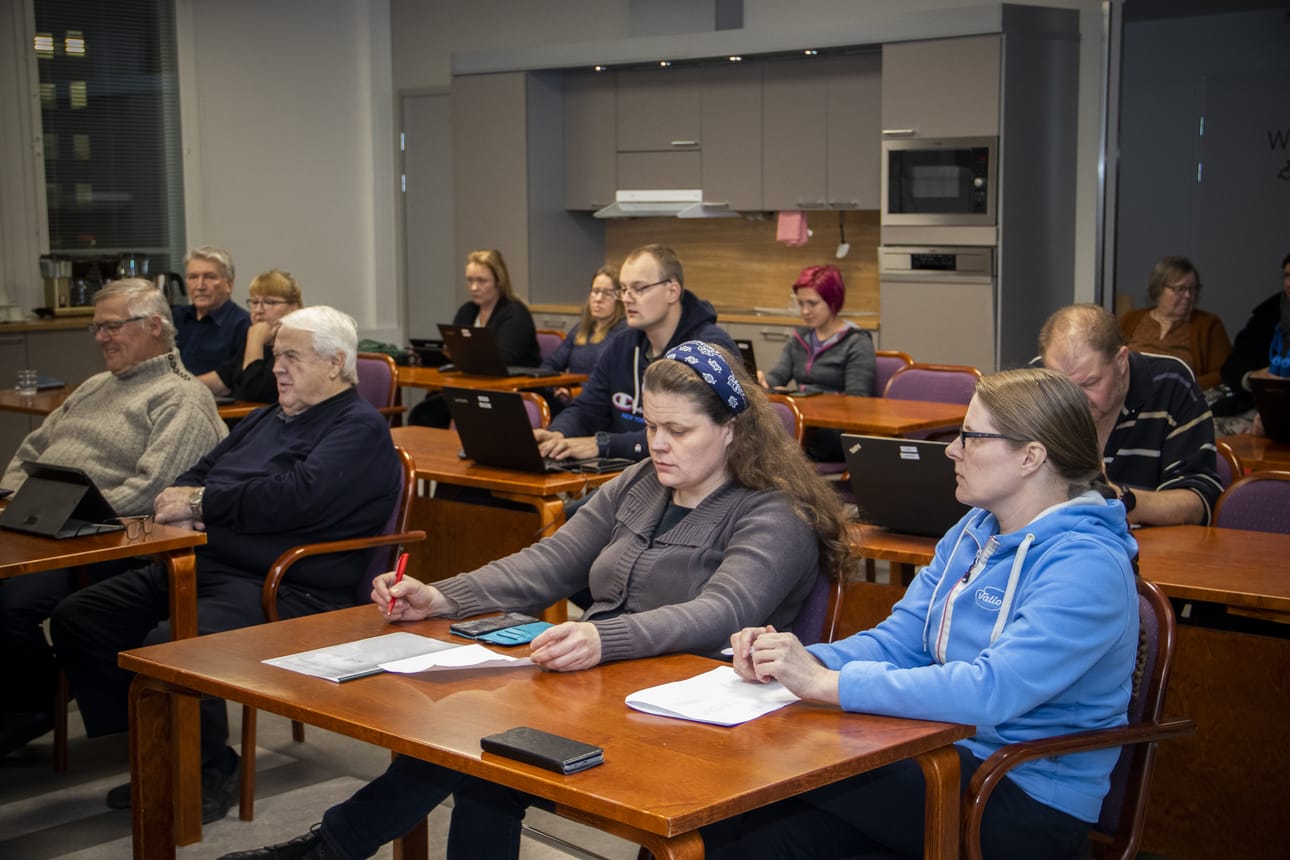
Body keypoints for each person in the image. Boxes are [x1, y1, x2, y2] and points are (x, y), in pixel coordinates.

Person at [218, 341, 850, 860]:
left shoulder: (776, 513)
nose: (657, 443)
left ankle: (325, 849)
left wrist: (606, 637)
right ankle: (328, 849)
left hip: (693, 716)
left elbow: (724, 611)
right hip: (603, 687)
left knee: (481, 756)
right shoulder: (642, 482)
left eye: (678, 430)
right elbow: (550, 562)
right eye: (650, 426)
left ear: (733, 431)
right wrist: (442, 595)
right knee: (473, 747)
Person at [702, 367, 1140, 860]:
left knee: (776, 758)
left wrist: (827, 686)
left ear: (1030, 457)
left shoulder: (1089, 565)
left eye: (971, 437)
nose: (952, 450)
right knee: (741, 822)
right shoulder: (973, 530)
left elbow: (991, 691)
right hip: (941, 756)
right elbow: (900, 641)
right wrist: (793, 663)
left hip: (1024, 798)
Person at [51, 306, 403, 824]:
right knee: (79, 616)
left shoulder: (358, 428)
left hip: (286, 585)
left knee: (171, 644)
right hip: (207, 565)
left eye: (291, 357)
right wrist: (202, 498)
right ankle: (156, 744)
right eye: (274, 356)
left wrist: (203, 505)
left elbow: (293, 498)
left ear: (335, 364)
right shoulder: (265, 418)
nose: (277, 368)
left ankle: (209, 768)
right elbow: (194, 475)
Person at [0, 279, 227, 758]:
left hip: (105, 539)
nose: (101, 337)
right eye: (96, 327)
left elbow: (152, 490)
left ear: (154, 327)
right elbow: (30, 451)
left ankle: (34, 704)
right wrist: (16, 503)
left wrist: (72, 521)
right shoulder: (94, 387)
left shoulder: (182, 398)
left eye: (111, 326)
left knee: (12, 607)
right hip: (41, 524)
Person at [536, 244, 737, 462]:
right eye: (623, 289)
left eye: (639, 288)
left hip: (685, 477)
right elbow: (587, 408)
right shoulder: (622, 344)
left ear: (672, 291)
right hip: (624, 472)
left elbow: (682, 433)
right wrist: (557, 434)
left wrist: (602, 444)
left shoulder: (707, 350)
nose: (628, 298)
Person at [1040, 303, 1221, 526]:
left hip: (1155, 547)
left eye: (1089, 383)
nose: (1074, 399)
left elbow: (1198, 503)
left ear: (1121, 360)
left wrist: (1118, 500)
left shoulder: (1171, 384)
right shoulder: (1039, 387)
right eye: (1061, 385)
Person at [408, 249, 539, 427]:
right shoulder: (467, 311)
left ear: (499, 282)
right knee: (423, 414)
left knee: (431, 416)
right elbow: (453, 350)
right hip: (471, 389)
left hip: (508, 392)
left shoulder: (515, 313)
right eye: (470, 280)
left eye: (481, 281)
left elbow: (505, 359)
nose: (474, 287)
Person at [759, 264, 875, 460]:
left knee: (794, 441)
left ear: (833, 302)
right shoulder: (799, 338)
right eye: (801, 303)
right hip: (803, 421)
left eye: (812, 303)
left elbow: (858, 401)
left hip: (835, 429)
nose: (805, 311)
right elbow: (778, 375)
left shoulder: (857, 342)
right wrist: (762, 382)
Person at [1117, 255, 1231, 390]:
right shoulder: (1131, 319)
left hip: (1179, 402)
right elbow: (1109, 359)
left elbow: (1224, 373)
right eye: (1180, 289)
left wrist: (1181, 387)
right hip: (1129, 396)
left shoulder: (1208, 325)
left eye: (1193, 288)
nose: (1188, 295)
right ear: (1158, 289)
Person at [198, 269, 304, 403]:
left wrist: (255, 340)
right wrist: (180, 385)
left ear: (294, 308)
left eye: (270, 302)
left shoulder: (296, 349)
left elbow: (253, 394)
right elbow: (222, 381)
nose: (259, 310)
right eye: (254, 302)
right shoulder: (262, 344)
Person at [538, 265, 626, 413]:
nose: (598, 299)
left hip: (599, 404)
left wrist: (575, 391)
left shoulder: (623, 333)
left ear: (620, 297)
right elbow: (551, 363)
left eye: (607, 293)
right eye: (595, 291)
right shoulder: (581, 329)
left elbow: (610, 379)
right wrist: (553, 386)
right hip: (567, 398)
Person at [1219, 250, 1290, 419]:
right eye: (1287, 276)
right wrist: (1254, 378)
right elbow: (1232, 367)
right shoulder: (1268, 315)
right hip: (1258, 405)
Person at [172, 245, 251, 375]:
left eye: (210, 277)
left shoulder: (243, 325)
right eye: (193, 277)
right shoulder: (175, 318)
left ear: (229, 285)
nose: (200, 286)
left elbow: (235, 382)